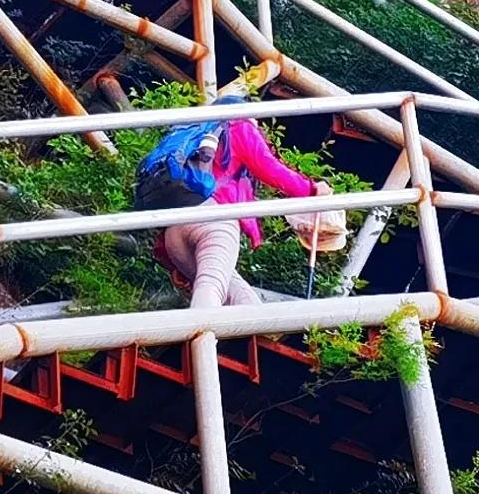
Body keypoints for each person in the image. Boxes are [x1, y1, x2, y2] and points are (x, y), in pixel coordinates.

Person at [133, 62, 341, 314]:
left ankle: (247, 334)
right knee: (212, 288)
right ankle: (201, 341)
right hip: (214, 219)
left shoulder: (197, 132)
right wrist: (312, 189)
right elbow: (270, 169)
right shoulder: (238, 126)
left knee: (240, 297)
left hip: (174, 229)